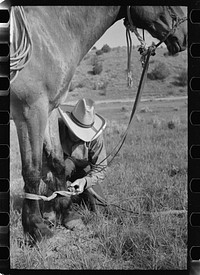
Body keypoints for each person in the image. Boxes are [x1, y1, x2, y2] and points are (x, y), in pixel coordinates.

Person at [58, 98, 108, 230]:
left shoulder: (96, 137)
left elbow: (101, 168)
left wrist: (85, 181)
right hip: (60, 170)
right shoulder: (56, 129)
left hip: (85, 170)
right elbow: (45, 161)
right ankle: (58, 200)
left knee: (100, 208)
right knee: (51, 214)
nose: (78, 136)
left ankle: (80, 196)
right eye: (74, 131)